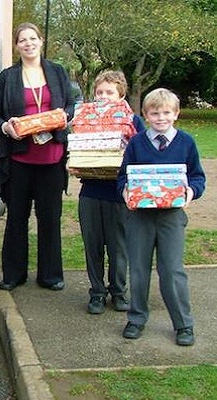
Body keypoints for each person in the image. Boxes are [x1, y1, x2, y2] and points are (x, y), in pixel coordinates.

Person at [0, 22, 75, 292]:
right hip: (20, 160)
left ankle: (50, 275)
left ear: (40, 41)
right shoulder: (8, 77)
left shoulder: (58, 72)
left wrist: (63, 117)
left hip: (52, 158)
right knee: (16, 218)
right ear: (17, 46)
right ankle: (14, 274)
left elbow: (70, 106)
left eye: (32, 38)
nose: (28, 43)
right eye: (22, 40)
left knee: (50, 219)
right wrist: (6, 128)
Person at [116, 88, 206, 346]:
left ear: (176, 114)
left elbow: (198, 176)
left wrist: (191, 191)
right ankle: (136, 318)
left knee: (172, 270)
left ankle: (183, 325)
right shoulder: (136, 143)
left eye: (166, 112)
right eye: (154, 113)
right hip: (140, 217)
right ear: (145, 115)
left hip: (171, 217)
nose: (161, 118)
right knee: (139, 269)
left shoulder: (186, 142)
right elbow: (124, 176)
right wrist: (125, 191)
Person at [75, 70, 146, 314]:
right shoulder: (84, 118)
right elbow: (76, 149)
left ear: (121, 94)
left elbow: (141, 153)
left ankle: (118, 291)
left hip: (118, 194)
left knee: (118, 247)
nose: (103, 97)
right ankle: (96, 293)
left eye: (109, 92)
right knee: (92, 246)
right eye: (99, 92)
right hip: (90, 192)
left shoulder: (133, 121)